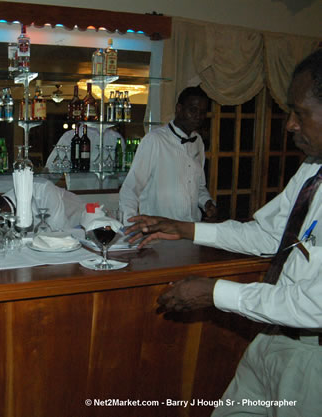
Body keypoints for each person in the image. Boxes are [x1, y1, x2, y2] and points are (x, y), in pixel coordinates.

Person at [125, 49, 322, 416]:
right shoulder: (312, 172)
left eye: (300, 112)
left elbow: (315, 305)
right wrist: (185, 228)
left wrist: (215, 292)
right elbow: (267, 236)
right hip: (272, 337)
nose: (291, 124)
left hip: (313, 360)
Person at [118, 86, 217, 223]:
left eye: (202, 112)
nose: (198, 117)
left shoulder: (198, 142)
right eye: (193, 110)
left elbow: (198, 186)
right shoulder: (154, 140)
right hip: (159, 230)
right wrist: (130, 225)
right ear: (179, 109)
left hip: (192, 228)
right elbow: (131, 188)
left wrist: (207, 202)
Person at [0, 177, 84, 231]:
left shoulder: (42, 191)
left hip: (80, 228)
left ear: (2, 212)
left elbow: (60, 233)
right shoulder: (5, 215)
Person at [45, 123, 123, 172]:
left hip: (76, 193)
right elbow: (124, 174)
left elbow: (51, 170)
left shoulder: (69, 136)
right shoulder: (116, 137)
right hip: (109, 194)